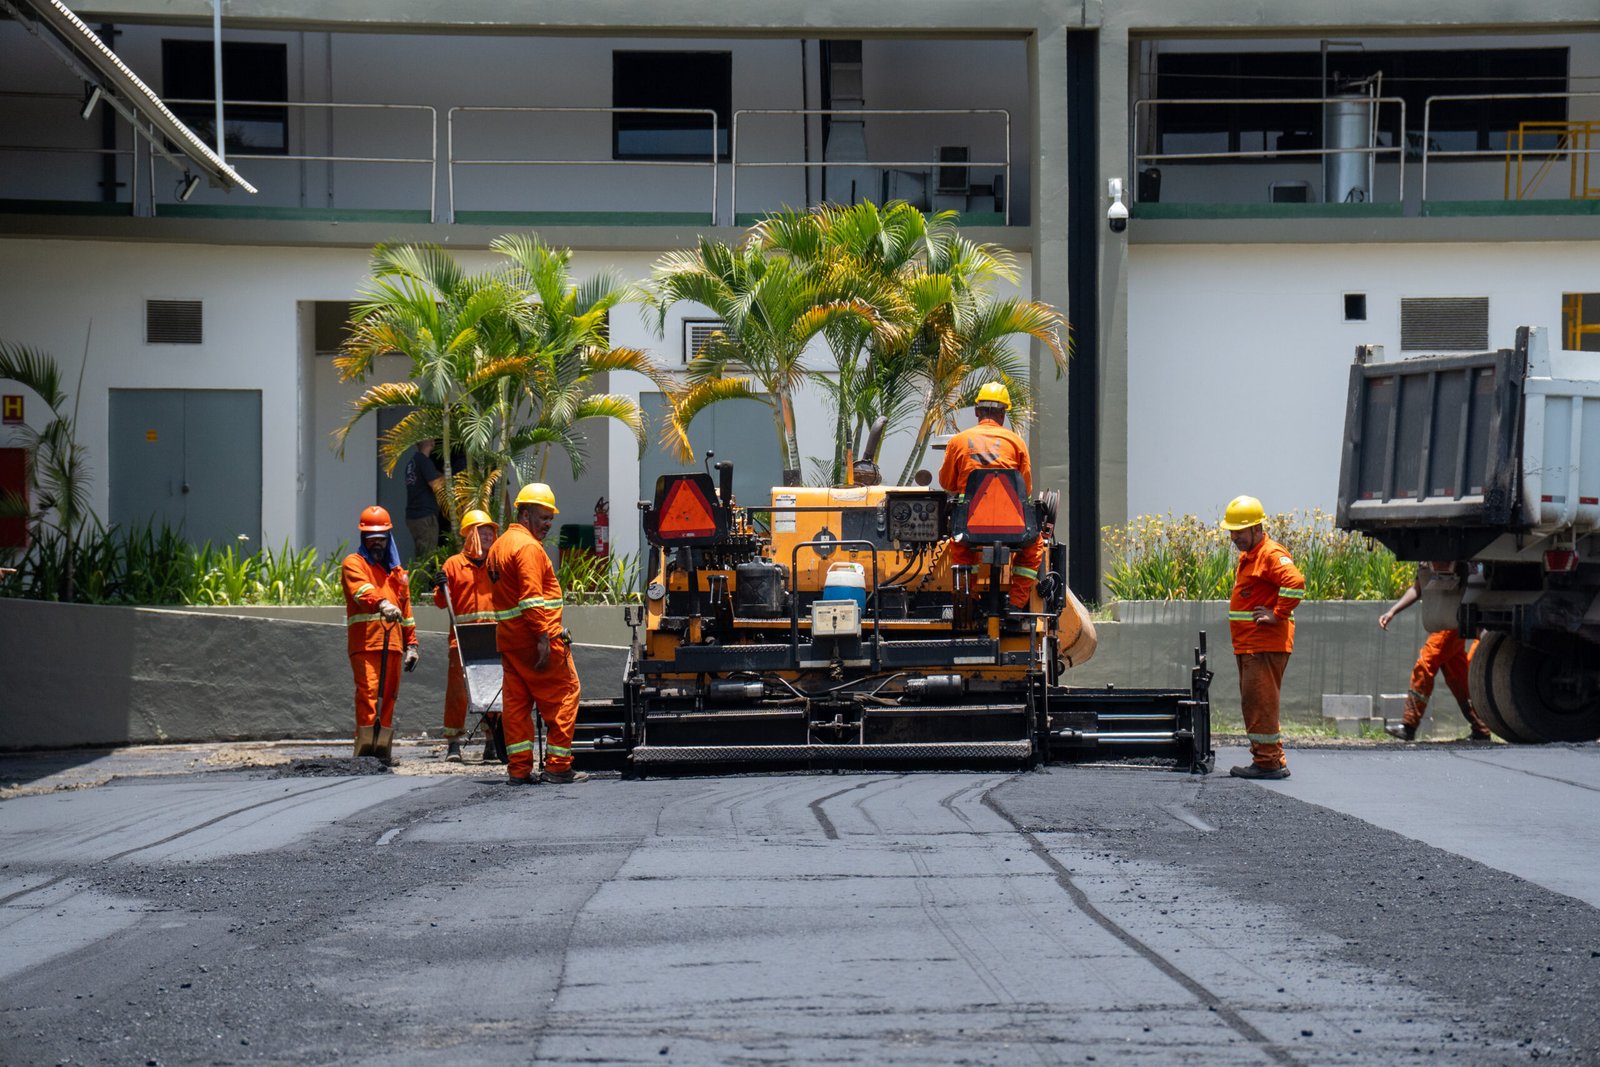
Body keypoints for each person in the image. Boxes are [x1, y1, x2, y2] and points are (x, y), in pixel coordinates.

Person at [484, 483, 587, 785]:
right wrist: (543, 637)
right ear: (525, 514)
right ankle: (557, 766)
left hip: (511, 643)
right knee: (567, 694)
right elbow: (531, 599)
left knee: (516, 707)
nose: (547, 525)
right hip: (538, 642)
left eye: (550, 519)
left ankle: (518, 769)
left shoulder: (499, 546)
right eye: (543, 518)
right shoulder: (527, 548)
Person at [937, 381, 1046, 609]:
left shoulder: (958, 442)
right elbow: (1025, 490)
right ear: (1003, 414)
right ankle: (1016, 603)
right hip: (1012, 526)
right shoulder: (1016, 442)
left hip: (969, 526)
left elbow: (947, 483)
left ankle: (969, 601)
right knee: (1034, 546)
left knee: (961, 548)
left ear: (977, 411)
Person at [1221, 494, 1304, 780]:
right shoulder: (1251, 556)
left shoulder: (1269, 553)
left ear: (1257, 528)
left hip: (1264, 645)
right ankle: (1269, 758)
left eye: (1239, 531)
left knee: (1261, 704)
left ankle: (1268, 762)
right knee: (1255, 703)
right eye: (1231, 531)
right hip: (1250, 646)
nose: (1234, 537)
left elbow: (1295, 583)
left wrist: (1277, 614)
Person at [1378, 562, 1493, 742]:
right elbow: (1418, 588)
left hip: (1451, 620)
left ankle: (1409, 725)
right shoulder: (1424, 559)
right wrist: (1392, 611)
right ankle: (1481, 728)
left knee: (1426, 663)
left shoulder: (1447, 553)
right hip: (1446, 620)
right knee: (1459, 677)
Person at [341, 505, 419, 764]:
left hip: (394, 644)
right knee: (368, 694)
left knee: (390, 697)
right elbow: (361, 591)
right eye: (371, 538)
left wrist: (412, 645)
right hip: (366, 643)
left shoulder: (398, 575)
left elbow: (406, 612)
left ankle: (382, 752)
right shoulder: (354, 563)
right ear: (363, 538)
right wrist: (382, 604)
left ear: (388, 539)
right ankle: (364, 753)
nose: (376, 543)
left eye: (381, 538)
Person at [432, 508, 500, 762]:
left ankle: (492, 742)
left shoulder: (497, 564)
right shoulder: (453, 564)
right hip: (461, 638)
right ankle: (454, 745)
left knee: (492, 690)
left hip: (492, 636)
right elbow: (441, 602)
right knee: (458, 693)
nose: (487, 536)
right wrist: (439, 586)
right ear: (470, 534)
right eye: (482, 531)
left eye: (490, 531)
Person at [404, 439, 445, 559]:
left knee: (421, 555)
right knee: (427, 558)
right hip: (424, 516)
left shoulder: (412, 462)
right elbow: (435, 484)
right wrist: (450, 478)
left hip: (414, 516)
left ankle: (417, 577)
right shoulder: (424, 461)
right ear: (430, 442)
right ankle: (420, 578)